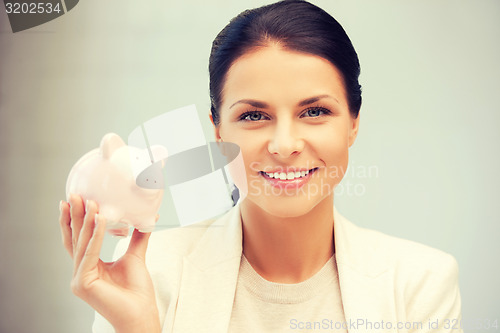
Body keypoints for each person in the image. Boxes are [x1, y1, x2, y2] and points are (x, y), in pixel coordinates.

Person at [59, 1, 463, 332]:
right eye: (254, 116)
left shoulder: (421, 283)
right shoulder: (152, 273)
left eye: (315, 111)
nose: (284, 145)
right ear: (217, 130)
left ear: (354, 122)